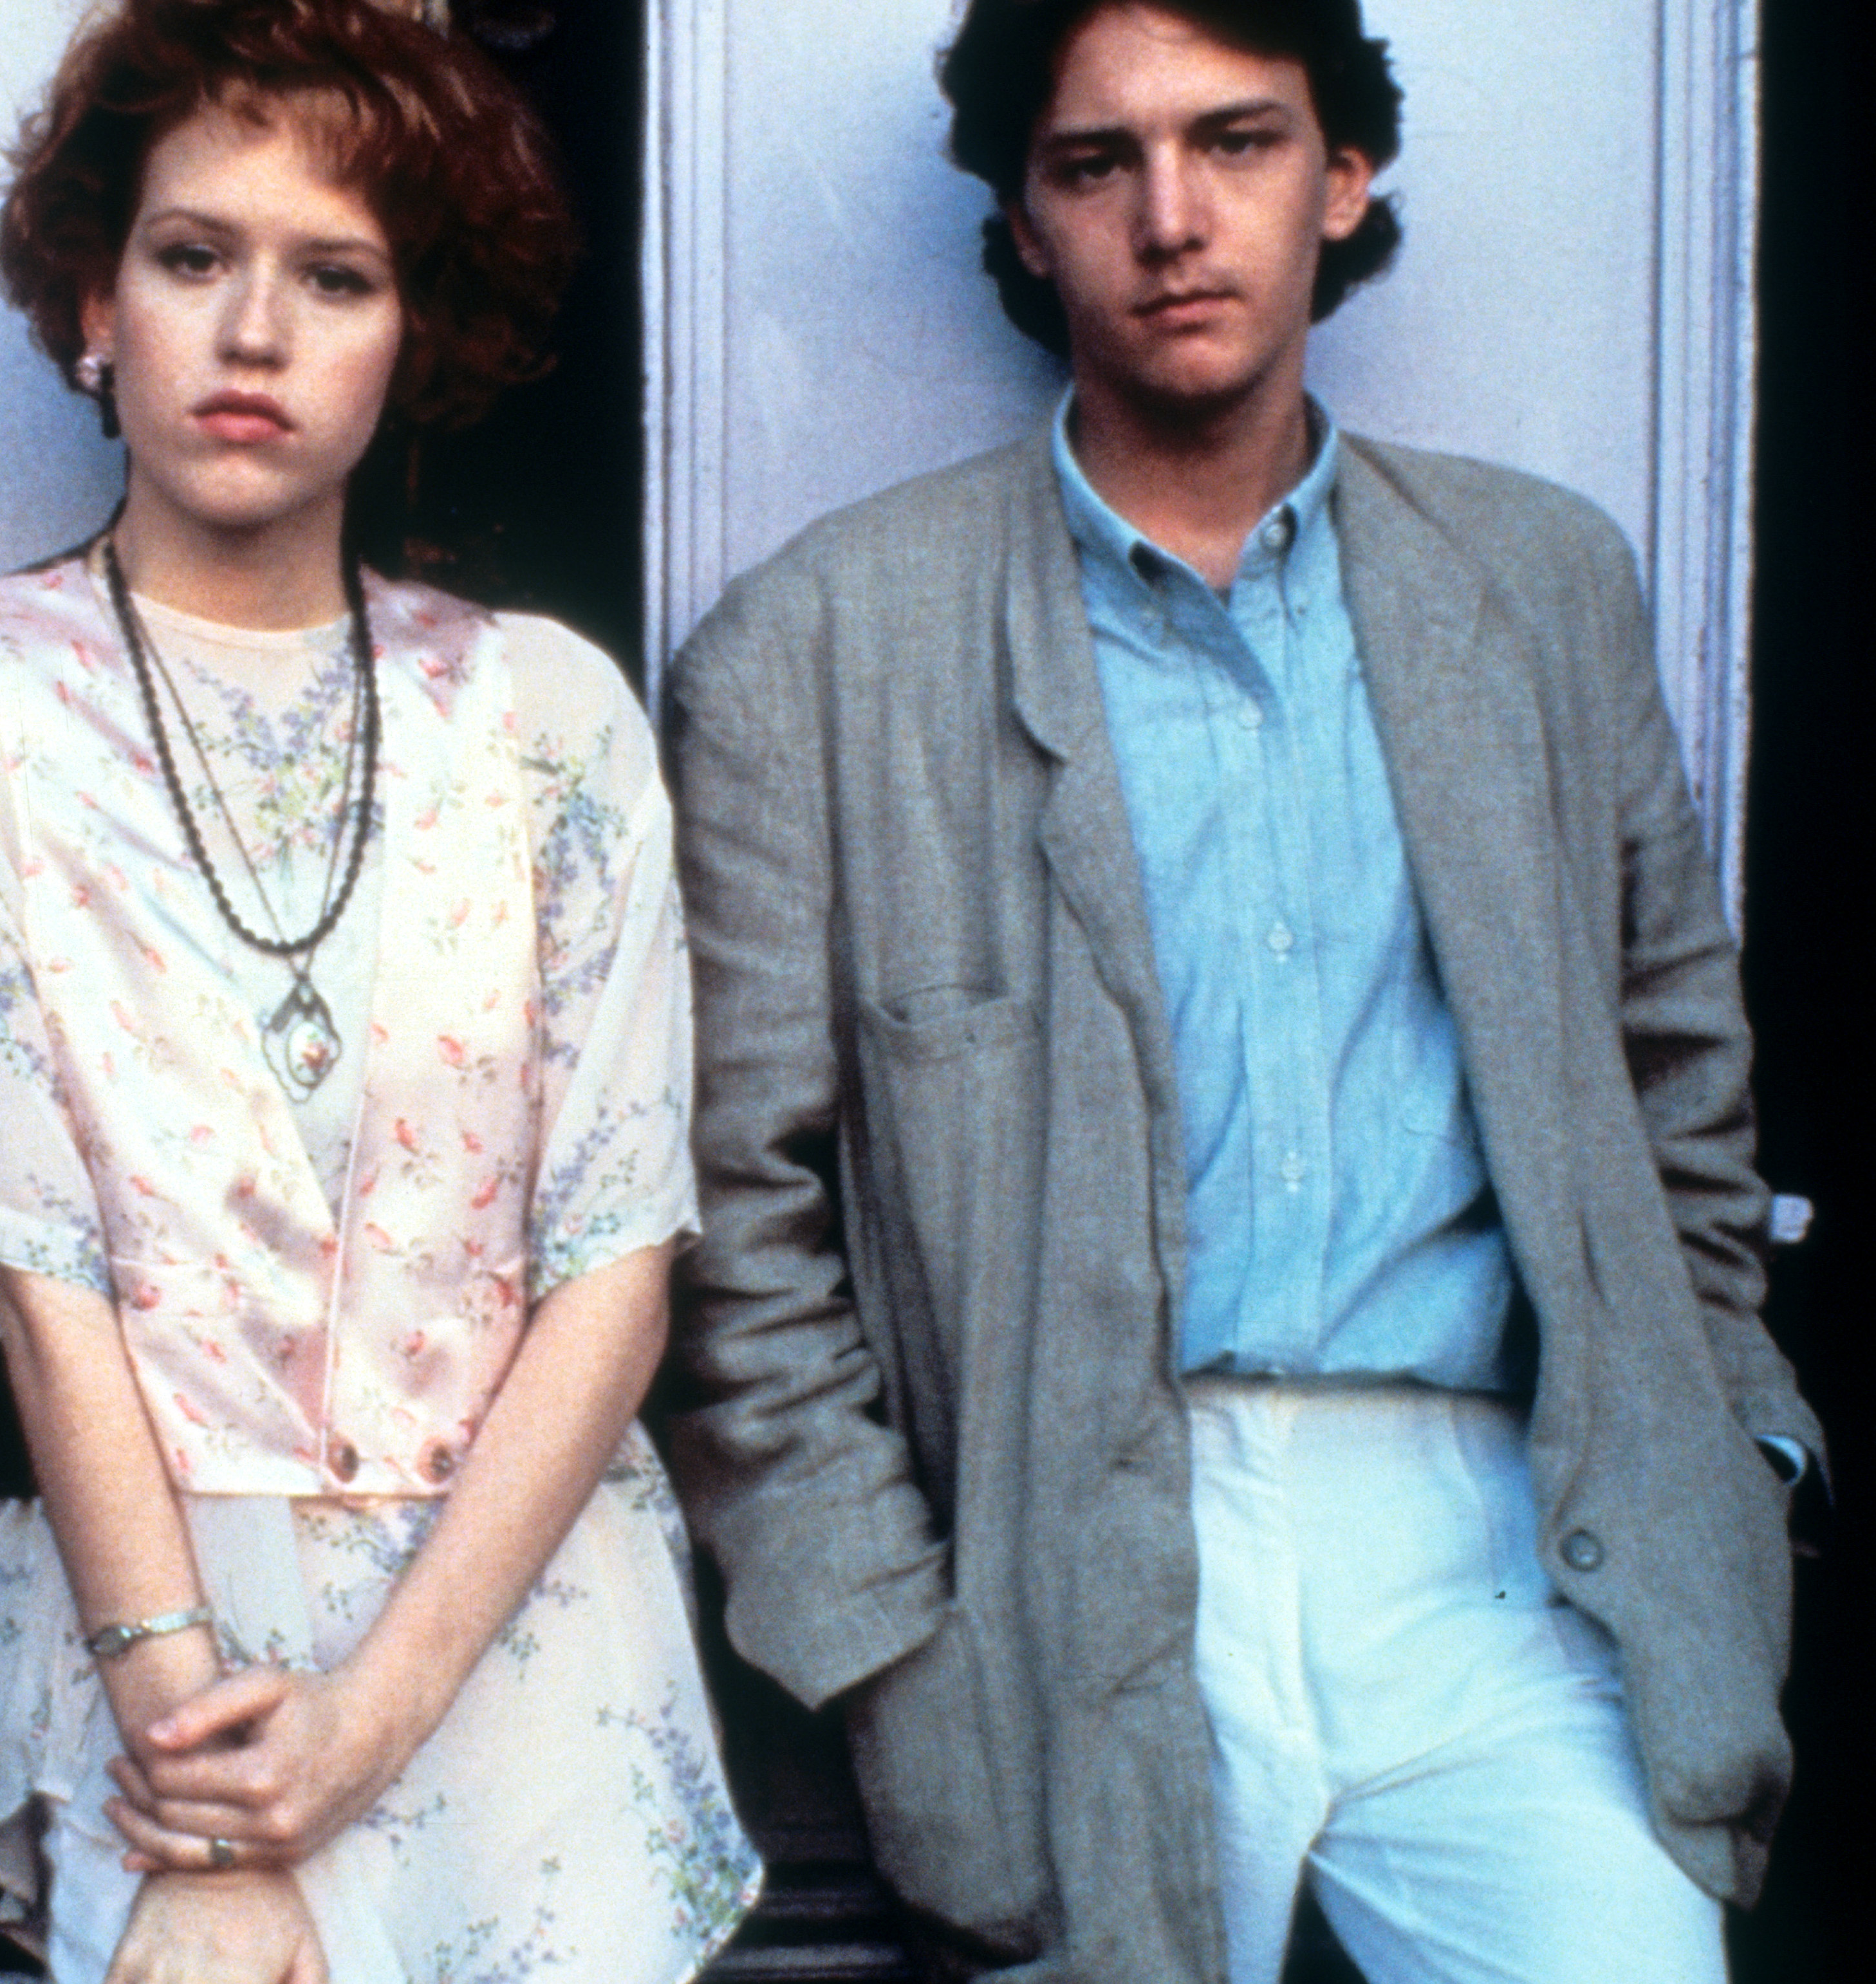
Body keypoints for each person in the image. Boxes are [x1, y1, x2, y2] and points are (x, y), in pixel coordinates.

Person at [661, 3, 1818, 1981]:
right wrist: (881, 1637)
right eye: (1094, 163)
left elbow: (1675, 1089)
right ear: (1024, 223)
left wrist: (1727, 1445)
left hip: (1506, 1543)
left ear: (1340, 178)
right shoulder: (814, 652)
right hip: (1066, 1553)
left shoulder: (1538, 587)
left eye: (1239, 142)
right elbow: (737, 1230)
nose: (1170, 217)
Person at [0, 2, 759, 1978]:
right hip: (170, 1667)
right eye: (193, 255)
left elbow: (612, 1260)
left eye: (335, 276)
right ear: (91, 295)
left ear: (418, 335)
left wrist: (370, 1723)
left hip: (525, 1661)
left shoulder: (552, 718)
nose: (252, 333)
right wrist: (216, 1806)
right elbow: (40, 1283)